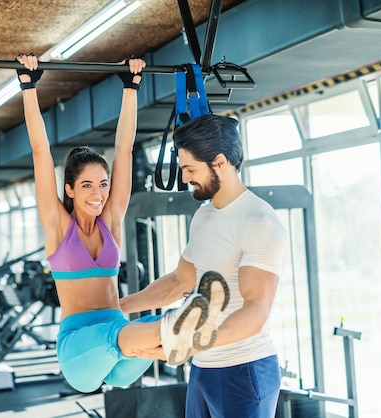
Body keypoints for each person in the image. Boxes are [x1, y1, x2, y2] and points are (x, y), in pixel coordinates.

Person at [16, 53, 228, 394]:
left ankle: (181, 332)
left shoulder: (110, 221)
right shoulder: (57, 225)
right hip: (80, 350)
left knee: (142, 330)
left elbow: (124, 150)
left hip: (122, 349)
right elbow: (41, 151)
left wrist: (132, 87)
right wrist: (28, 86)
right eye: (87, 185)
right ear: (69, 189)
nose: (98, 194)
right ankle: (179, 326)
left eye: (102, 184)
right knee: (132, 333)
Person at [120, 114, 289, 418]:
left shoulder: (259, 221)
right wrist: (119, 306)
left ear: (220, 162)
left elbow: (256, 312)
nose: (184, 178)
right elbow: (178, 282)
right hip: (203, 369)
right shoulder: (204, 215)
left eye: (190, 169)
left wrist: (188, 343)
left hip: (244, 370)